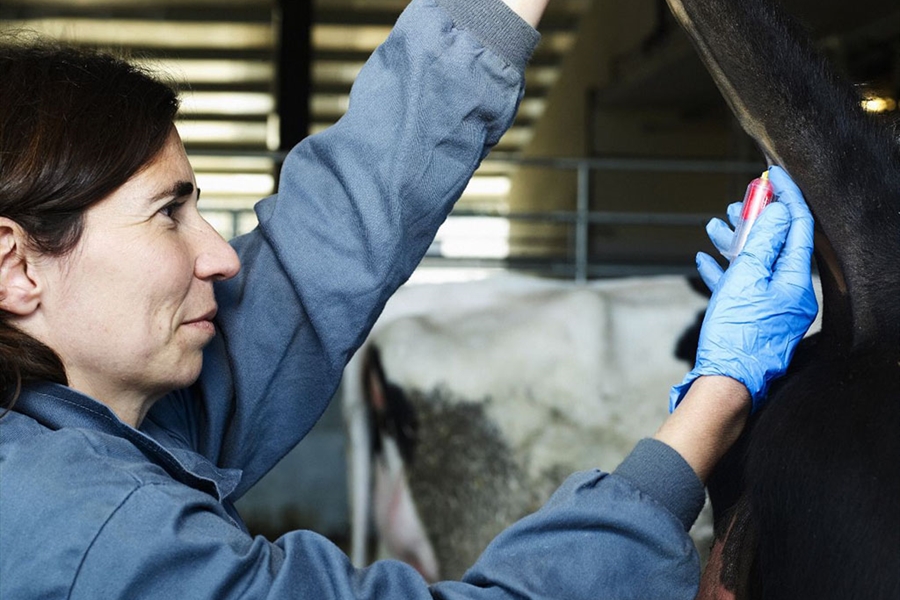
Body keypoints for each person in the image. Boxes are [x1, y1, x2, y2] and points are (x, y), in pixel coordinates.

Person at [0, 0, 817, 595]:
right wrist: (720, 398)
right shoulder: (89, 539)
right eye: (169, 214)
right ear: (16, 266)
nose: (221, 255)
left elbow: (326, 246)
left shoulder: (67, 418)